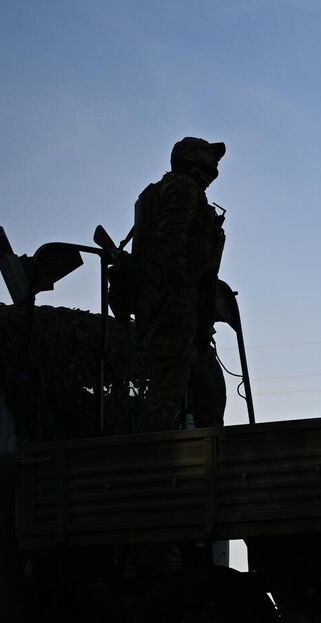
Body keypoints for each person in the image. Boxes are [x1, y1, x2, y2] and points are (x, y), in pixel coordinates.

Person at [133, 137, 228, 430]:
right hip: (174, 303)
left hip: (182, 303)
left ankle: (208, 456)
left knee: (207, 386)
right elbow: (171, 242)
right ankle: (154, 460)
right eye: (208, 156)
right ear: (190, 158)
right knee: (168, 389)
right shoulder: (182, 188)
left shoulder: (167, 190)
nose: (215, 163)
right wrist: (177, 295)